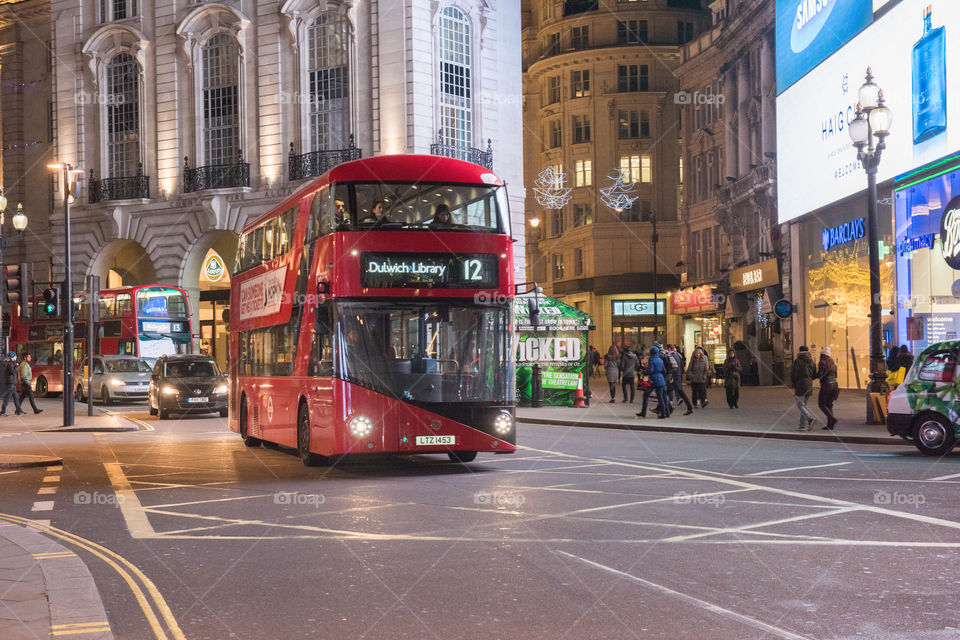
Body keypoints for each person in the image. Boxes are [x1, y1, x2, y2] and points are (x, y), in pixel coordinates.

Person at [636, 346, 670, 419]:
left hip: (653, 380)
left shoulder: (651, 359)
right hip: (661, 379)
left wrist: (644, 373)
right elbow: (664, 370)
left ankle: (643, 412)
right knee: (661, 397)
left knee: (646, 395)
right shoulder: (660, 360)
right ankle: (665, 413)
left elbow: (651, 370)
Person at [790, 346, 817, 431]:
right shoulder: (812, 362)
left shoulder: (797, 362)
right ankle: (802, 426)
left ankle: (810, 419)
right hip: (809, 384)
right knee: (804, 405)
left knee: (799, 405)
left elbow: (793, 374)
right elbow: (814, 375)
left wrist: (793, 383)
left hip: (800, 385)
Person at [666, 345, 694, 415]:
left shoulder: (672, 356)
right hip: (677, 376)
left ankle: (689, 408)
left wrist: (672, 377)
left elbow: (674, 367)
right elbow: (681, 366)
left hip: (675, 377)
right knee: (667, 392)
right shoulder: (677, 356)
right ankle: (666, 408)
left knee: (680, 392)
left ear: (669, 349)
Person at [817, 346, 839, 430]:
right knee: (829, 405)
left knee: (821, 404)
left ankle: (832, 419)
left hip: (826, 385)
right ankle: (830, 425)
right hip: (834, 385)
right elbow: (836, 376)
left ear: (822, 355)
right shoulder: (833, 364)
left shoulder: (822, 363)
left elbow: (820, 375)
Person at [0, 352, 24, 416]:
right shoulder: (10, 363)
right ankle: (3, 411)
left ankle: (18, 411)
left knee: (16, 397)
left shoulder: (11, 363)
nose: (16, 357)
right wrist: (16, 366)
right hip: (10, 383)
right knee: (8, 398)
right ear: (12, 357)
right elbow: (12, 372)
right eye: (15, 356)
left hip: (11, 383)